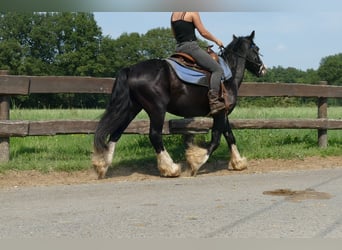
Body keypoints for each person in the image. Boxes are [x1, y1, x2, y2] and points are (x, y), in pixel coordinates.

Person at [171, 12, 225, 115]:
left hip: (178, 48)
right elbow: (203, 32)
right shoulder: (192, 12)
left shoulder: (174, 14)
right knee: (217, 70)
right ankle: (214, 102)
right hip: (191, 48)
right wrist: (217, 40)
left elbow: (174, 34)